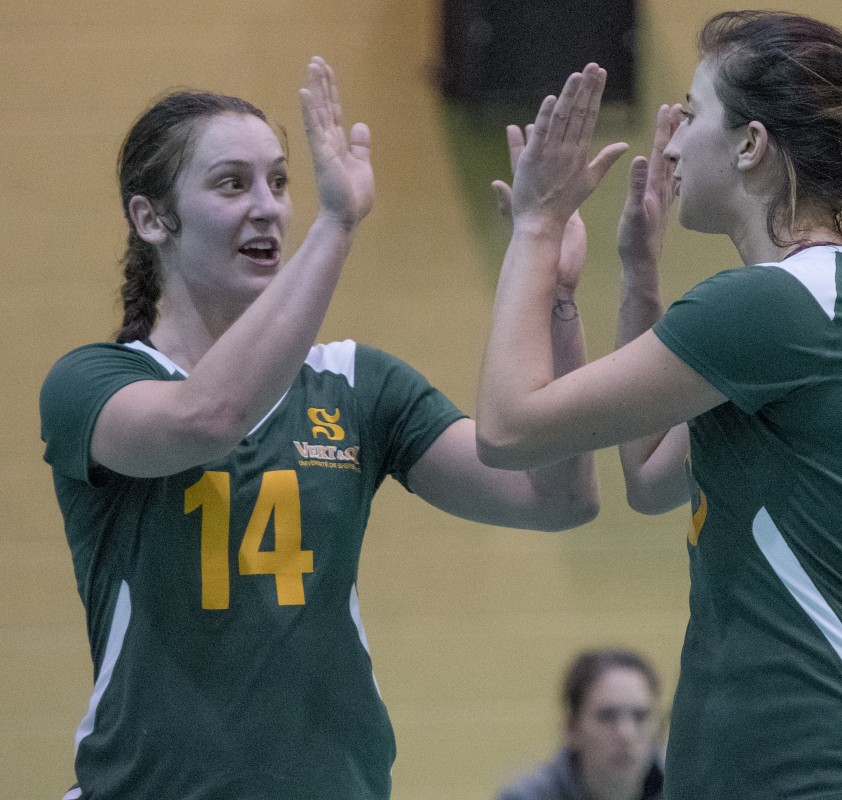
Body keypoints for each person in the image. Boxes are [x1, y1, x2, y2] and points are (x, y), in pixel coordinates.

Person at [39, 57, 599, 800]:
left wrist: (555, 296)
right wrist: (337, 224)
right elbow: (210, 417)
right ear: (151, 219)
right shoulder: (93, 385)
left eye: (278, 181)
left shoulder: (358, 385)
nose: (267, 207)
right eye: (232, 184)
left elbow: (555, 497)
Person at [476, 10, 842, 799]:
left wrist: (537, 223)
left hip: (831, 774)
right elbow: (649, 476)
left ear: (752, 144)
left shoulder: (781, 306)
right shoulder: (822, 302)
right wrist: (639, 274)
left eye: (691, 115)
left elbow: (508, 428)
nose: (672, 143)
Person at [496, 649, 665, 800]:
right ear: (572, 728)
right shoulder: (525, 796)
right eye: (607, 716)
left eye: (640, 717)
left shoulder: (679, 791)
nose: (626, 733)